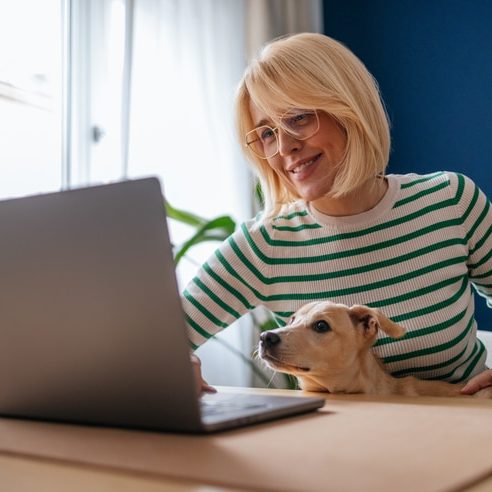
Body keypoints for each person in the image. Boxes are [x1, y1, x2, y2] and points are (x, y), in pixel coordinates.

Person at [184, 32, 492, 395]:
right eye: (267, 133)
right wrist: (172, 362)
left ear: (349, 111)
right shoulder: (265, 244)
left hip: (463, 434)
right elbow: (156, 339)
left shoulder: (450, 201)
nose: (285, 147)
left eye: (298, 118)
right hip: (333, 444)